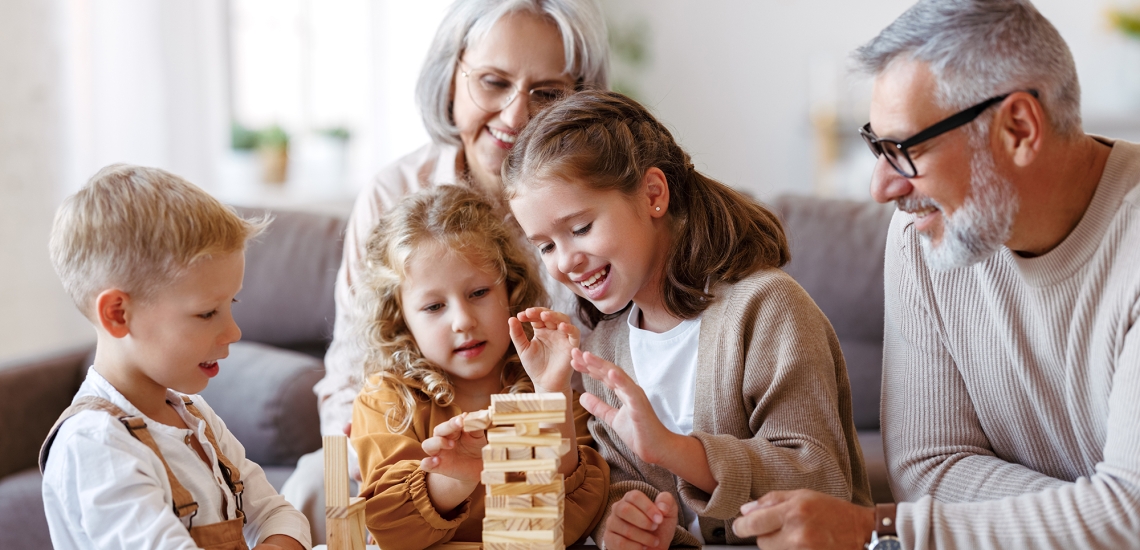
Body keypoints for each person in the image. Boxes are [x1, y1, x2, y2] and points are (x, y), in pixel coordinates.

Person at [730, 1, 1140, 549]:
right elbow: (926, 468)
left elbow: (1132, 514)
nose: (882, 188)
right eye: (877, 147)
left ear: (1018, 128)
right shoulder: (922, 241)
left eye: (904, 149)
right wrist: (1085, 514)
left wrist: (874, 528)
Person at [282, 0, 609, 541]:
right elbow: (350, 367)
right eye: (493, 82)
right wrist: (399, 469)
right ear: (452, 77)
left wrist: (548, 426)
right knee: (318, 483)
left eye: (546, 93)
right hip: (407, 444)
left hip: (550, 430)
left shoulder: (595, 204)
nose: (515, 116)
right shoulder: (392, 192)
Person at [503, 89, 873, 549]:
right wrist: (620, 520)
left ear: (653, 194)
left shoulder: (767, 308)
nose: (566, 261)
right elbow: (623, 483)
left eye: (580, 228)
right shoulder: (601, 349)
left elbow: (819, 479)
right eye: (546, 246)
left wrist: (677, 452)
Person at [40, 164, 311, 550]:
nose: (234, 332)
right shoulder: (95, 444)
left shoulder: (195, 417)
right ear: (118, 314)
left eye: (230, 304)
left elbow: (276, 513)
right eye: (206, 313)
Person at [347, 185, 609, 550]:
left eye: (478, 293)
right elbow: (390, 528)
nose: (463, 321)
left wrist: (550, 395)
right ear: (401, 319)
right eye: (434, 307)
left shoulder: (553, 388)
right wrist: (452, 479)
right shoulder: (387, 399)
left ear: (511, 290)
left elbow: (571, 523)